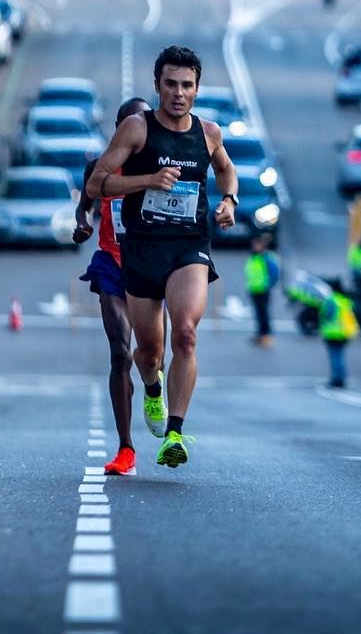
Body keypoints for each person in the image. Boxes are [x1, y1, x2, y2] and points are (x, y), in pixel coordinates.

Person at [87, 46, 240, 468]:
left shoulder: (208, 133)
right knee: (148, 353)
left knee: (186, 333)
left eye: (187, 85)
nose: (178, 93)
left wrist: (229, 199)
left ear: (196, 88)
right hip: (142, 249)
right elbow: (99, 184)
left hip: (188, 244)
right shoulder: (137, 130)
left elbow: (227, 169)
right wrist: (148, 180)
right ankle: (152, 388)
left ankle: (174, 432)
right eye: (170, 84)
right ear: (157, 86)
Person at [74, 97, 152, 477]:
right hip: (110, 264)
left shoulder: (158, 166)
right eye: (127, 122)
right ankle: (126, 446)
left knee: (150, 357)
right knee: (120, 352)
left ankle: (153, 387)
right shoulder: (101, 167)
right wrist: (84, 223)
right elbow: (85, 204)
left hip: (150, 267)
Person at [318, 277, 358, 388]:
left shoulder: (331, 300)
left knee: (335, 356)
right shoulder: (344, 300)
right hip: (345, 332)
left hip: (333, 332)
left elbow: (326, 316)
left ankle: (337, 379)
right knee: (340, 356)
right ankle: (341, 378)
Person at [245, 232, 281, 347]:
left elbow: (275, 273)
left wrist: (269, 285)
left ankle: (266, 336)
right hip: (254, 289)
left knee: (264, 314)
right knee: (258, 314)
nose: (254, 246)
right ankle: (260, 335)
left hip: (263, 290)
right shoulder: (254, 256)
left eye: (257, 244)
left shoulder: (267, 258)